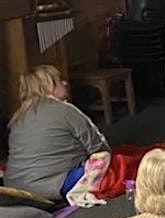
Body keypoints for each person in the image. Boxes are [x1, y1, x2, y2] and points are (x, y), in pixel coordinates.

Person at [3, 65, 109, 200]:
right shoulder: (66, 110)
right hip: (53, 186)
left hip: (14, 187)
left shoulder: (18, 116)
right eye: (59, 80)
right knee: (110, 163)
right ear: (48, 87)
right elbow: (98, 148)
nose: (65, 83)